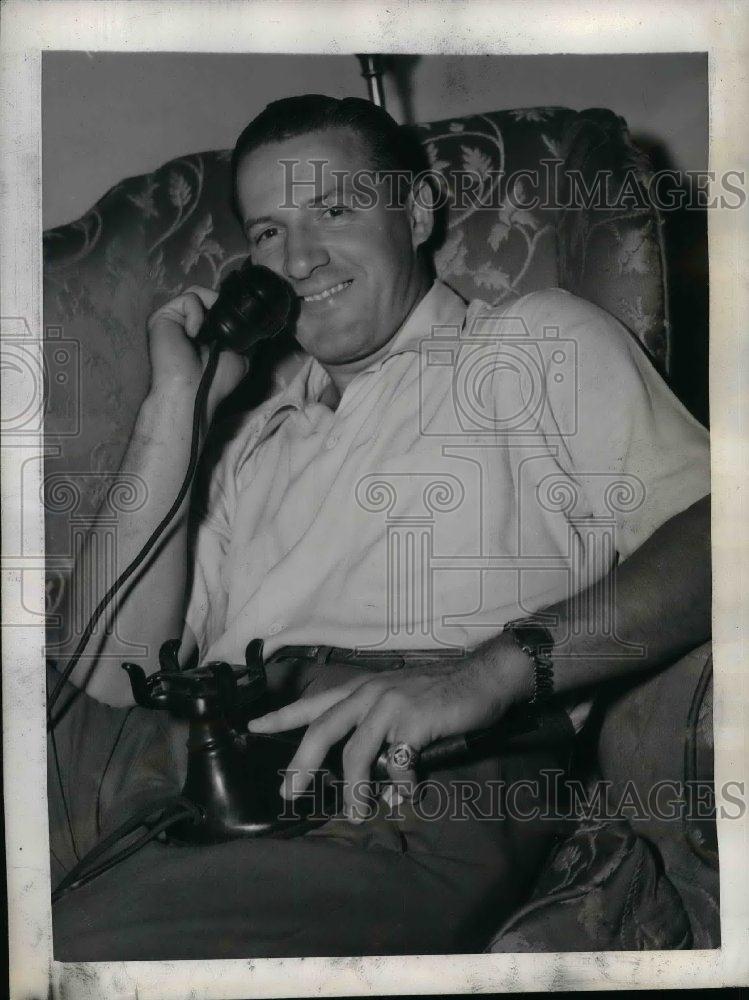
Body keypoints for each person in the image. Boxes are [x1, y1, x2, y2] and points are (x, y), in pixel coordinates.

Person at [49, 95, 711, 959]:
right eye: (267, 233)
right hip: (189, 753)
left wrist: (483, 676)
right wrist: (173, 406)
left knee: (85, 947)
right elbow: (101, 687)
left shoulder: (533, 344)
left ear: (417, 210)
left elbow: (722, 538)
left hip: (399, 769)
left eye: (333, 209)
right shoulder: (248, 437)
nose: (299, 258)